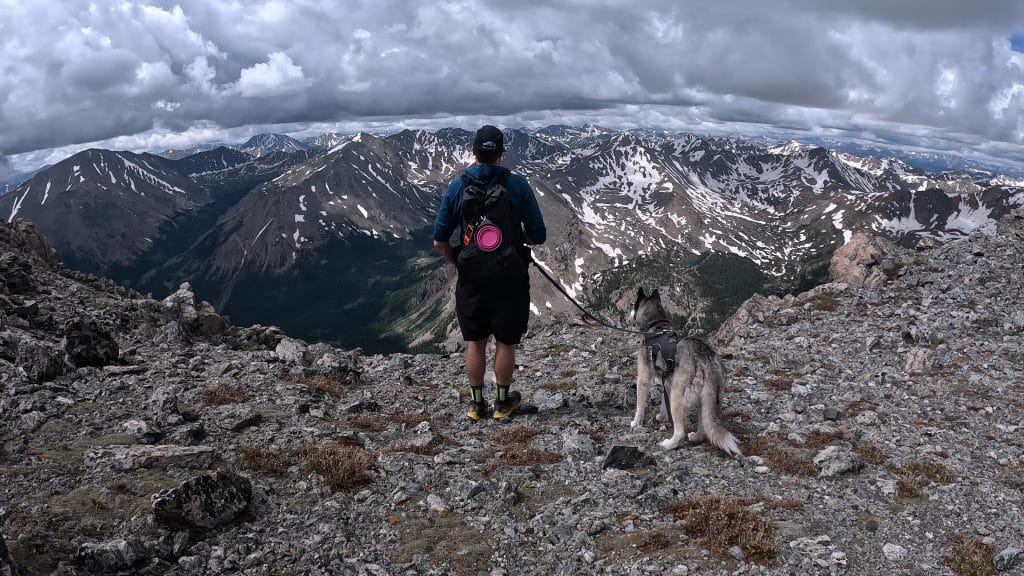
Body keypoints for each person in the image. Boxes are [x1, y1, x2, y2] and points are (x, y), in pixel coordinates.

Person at [433, 125, 547, 421]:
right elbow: (539, 234)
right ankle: (502, 403)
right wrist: (516, 240)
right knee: (506, 341)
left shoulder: (458, 186)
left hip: (472, 276)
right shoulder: (518, 185)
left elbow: (439, 239)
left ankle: (476, 404)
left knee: (476, 341)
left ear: (474, 152)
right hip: (509, 275)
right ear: (500, 154)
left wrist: (456, 261)